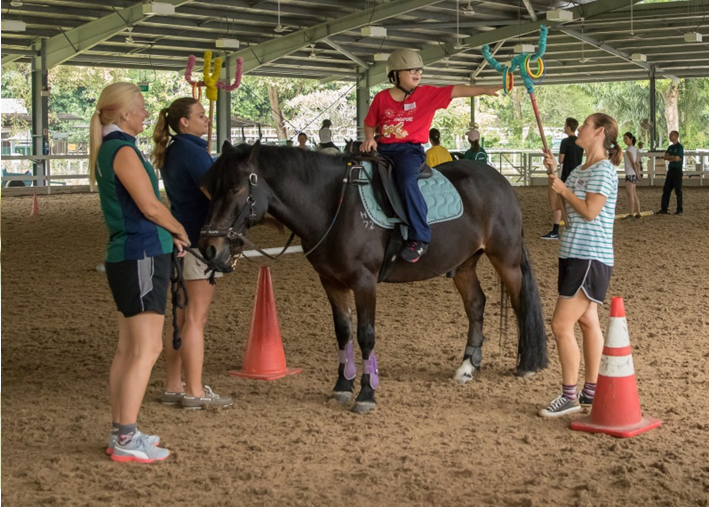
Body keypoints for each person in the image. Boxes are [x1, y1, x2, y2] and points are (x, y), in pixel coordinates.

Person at [89, 82, 190, 462]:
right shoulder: (123, 152)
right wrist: (178, 229)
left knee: (128, 349)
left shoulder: (110, 149)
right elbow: (150, 206)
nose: (147, 113)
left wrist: (169, 235)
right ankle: (126, 439)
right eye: (142, 107)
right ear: (125, 113)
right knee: (146, 348)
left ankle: (123, 431)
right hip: (142, 255)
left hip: (129, 254)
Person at [360, 48, 500, 263]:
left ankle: (420, 237)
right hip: (383, 148)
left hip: (409, 151)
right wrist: (369, 138)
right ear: (395, 74)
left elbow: (457, 90)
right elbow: (370, 123)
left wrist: (486, 89)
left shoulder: (426, 94)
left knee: (406, 180)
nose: (417, 74)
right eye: (411, 70)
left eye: (419, 70)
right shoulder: (381, 98)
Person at [151, 98, 234, 410]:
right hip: (200, 239)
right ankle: (195, 391)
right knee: (196, 318)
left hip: (180, 237)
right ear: (184, 122)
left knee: (181, 317)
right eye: (200, 116)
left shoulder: (173, 150)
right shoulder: (193, 152)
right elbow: (216, 193)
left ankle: (174, 384)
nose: (206, 120)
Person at [538, 113, 621, 418]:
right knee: (587, 321)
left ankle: (569, 395)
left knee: (561, 324)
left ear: (599, 132)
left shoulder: (603, 171)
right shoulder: (577, 170)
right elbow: (557, 207)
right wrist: (553, 175)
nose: (580, 129)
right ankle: (591, 390)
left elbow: (589, 211)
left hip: (590, 256)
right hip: (572, 253)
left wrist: (563, 189)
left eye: (586, 125)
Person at [541, 117, 584, 240]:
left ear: (569, 127)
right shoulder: (580, 142)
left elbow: (561, 160)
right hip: (578, 174)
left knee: (560, 201)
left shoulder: (565, 142)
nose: (564, 127)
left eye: (565, 126)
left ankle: (555, 230)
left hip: (567, 175)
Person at [657, 130, 684, 215]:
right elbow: (665, 157)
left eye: (671, 135)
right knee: (666, 189)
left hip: (677, 170)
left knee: (678, 190)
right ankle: (664, 208)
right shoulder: (670, 147)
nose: (669, 137)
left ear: (676, 136)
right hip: (671, 170)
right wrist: (672, 157)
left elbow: (676, 158)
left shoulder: (679, 147)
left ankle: (679, 209)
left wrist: (670, 157)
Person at [622, 131, 642, 219]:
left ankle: (631, 213)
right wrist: (638, 173)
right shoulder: (634, 149)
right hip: (633, 173)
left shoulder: (629, 150)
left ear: (631, 139)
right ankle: (638, 212)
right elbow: (637, 163)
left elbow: (633, 163)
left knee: (630, 194)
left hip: (630, 173)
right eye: (624, 138)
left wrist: (637, 173)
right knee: (634, 194)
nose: (624, 140)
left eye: (626, 138)